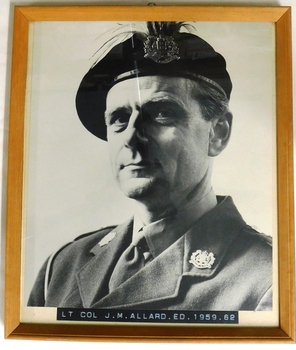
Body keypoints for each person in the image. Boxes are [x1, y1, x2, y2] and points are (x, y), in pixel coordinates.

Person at [28, 22, 272, 311]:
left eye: (162, 113)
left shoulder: (268, 278)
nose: (132, 138)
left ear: (217, 132)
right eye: (119, 118)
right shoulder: (63, 267)